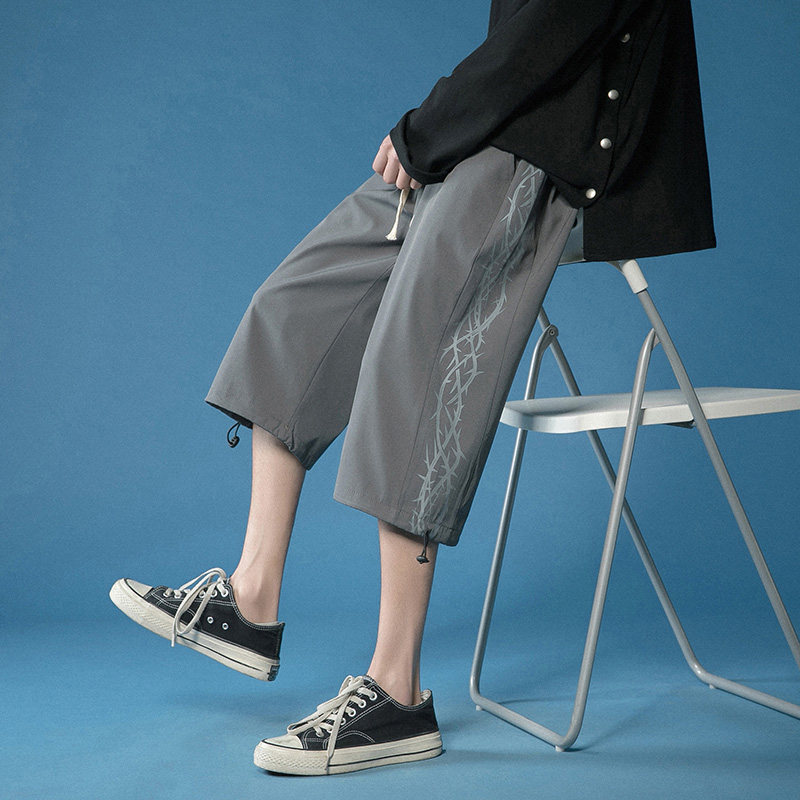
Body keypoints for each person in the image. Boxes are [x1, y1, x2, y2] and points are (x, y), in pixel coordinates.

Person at [109, 0, 715, 777]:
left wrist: (426, 130)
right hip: (491, 130)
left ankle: (396, 690)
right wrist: (443, 132)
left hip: (561, 153)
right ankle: (251, 597)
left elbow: (550, 31)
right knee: (296, 306)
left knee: (414, 360)